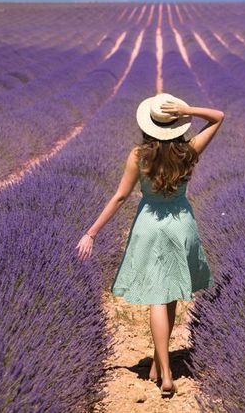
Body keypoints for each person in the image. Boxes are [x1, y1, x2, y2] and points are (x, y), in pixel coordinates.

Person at [75, 92, 225, 400]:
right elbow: (219, 116)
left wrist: (91, 232)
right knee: (169, 295)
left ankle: (165, 373)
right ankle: (159, 364)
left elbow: (119, 196)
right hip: (180, 223)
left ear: (149, 126)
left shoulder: (139, 155)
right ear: (178, 125)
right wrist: (188, 110)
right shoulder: (189, 151)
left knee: (158, 296)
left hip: (150, 226)